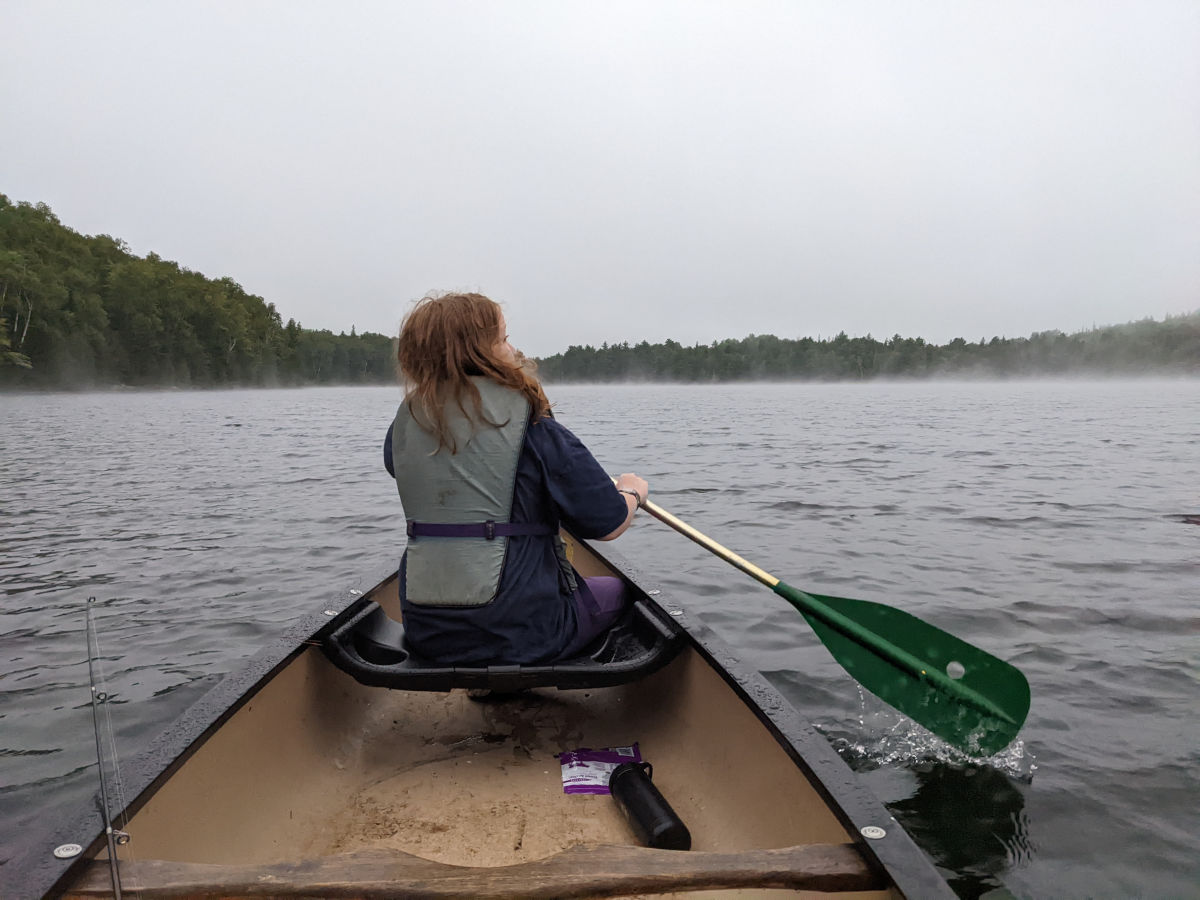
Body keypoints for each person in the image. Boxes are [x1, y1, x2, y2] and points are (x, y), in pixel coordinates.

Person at [382, 291, 649, 666]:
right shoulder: (536, 428)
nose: (513, 347)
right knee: (619, 593)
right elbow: (607, 524)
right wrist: (631, 493)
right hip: (528, 632)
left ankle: (491, 682)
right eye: (504, 338)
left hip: (428, 632)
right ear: (480, 353)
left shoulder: (402, 430)